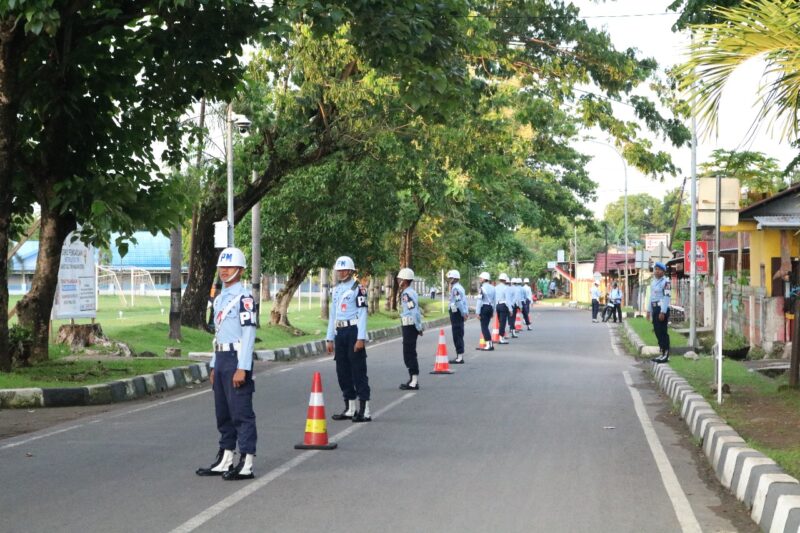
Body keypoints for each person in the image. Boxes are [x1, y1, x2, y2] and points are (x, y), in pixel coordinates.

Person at [196, 247, 258, 481]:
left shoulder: (245, 299)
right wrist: (213, 364)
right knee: (223, 413)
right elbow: (218, 335)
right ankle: (226, 457)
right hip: (221, 358)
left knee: (241, 412)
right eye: (222, 266)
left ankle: (247, 462)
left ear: (240, 270)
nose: (224, 271)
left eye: (229, 267)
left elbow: (248, 334)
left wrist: (243, 367)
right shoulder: (220, 299)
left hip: (236, 359)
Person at [326, 256, 371, 422]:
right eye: (339, 270)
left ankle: (364, 409)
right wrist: (329, 338)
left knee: (358, 371)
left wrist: (361, 338)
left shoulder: (358, 289)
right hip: (340, 332)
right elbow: (333, 315)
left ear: (351, 271)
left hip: (353, 331)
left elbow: (363, 314)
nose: (341, 273)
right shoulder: (337, 290)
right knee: (342, 371)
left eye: (344, 270)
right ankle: (350, 407)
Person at [397, 268, 423, 390]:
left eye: (399, 279)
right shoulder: (409, 292)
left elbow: (414, 312)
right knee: (409, 352)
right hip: (409, 325)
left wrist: (418, 326)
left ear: (404, 280)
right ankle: (412, 378)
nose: (398, 281)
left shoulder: (407, 294)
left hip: (410, 325)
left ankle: (414, 380)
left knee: (409, 353)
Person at [650, 262, 672, 364]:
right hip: (655, 308)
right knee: (657, 331)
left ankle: (666, 354)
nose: (656, 271)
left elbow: (667, 297)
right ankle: (662, 352)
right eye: (655, 269)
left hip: (661, 309)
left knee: (663, 332)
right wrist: (649, 310)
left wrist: (663, 312)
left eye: (659, 269)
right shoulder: (653, 282)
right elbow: (651, 297)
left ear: (663, 271)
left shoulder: (666, 282)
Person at [447, 269, 468, 364]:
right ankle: (459, 355)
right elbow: (464, 302)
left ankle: (459, 357)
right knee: (459, 333)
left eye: (451, 278)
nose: (449, 279)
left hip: (456, 313)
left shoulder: (455, 289)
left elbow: (459, 302)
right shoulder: (459, 287)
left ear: (455, 278)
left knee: (457, 334)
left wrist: (463, 313)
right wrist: (465, 312)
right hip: (458, 312)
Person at [477, 272, 496, 351]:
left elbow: (479, 300)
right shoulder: (493, 288)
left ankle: (489, 344)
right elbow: (494, 300)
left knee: (484, 327)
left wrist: (477, 312)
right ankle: (489, 344)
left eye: (481, 278)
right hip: (490, 307)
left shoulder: (482, 288)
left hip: (484, 307)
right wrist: (493, 311)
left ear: (484, 279)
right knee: (486, 326)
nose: (480, 279)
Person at [495, 273, 512, 343]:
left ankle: (501, 336)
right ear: (505, 280)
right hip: (503, 305)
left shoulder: (495, 287)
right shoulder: (506, 288)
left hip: (497, 305)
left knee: (500, 321)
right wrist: (510, 309)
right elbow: (508, 300)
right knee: (503, 322)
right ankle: (501, 337)